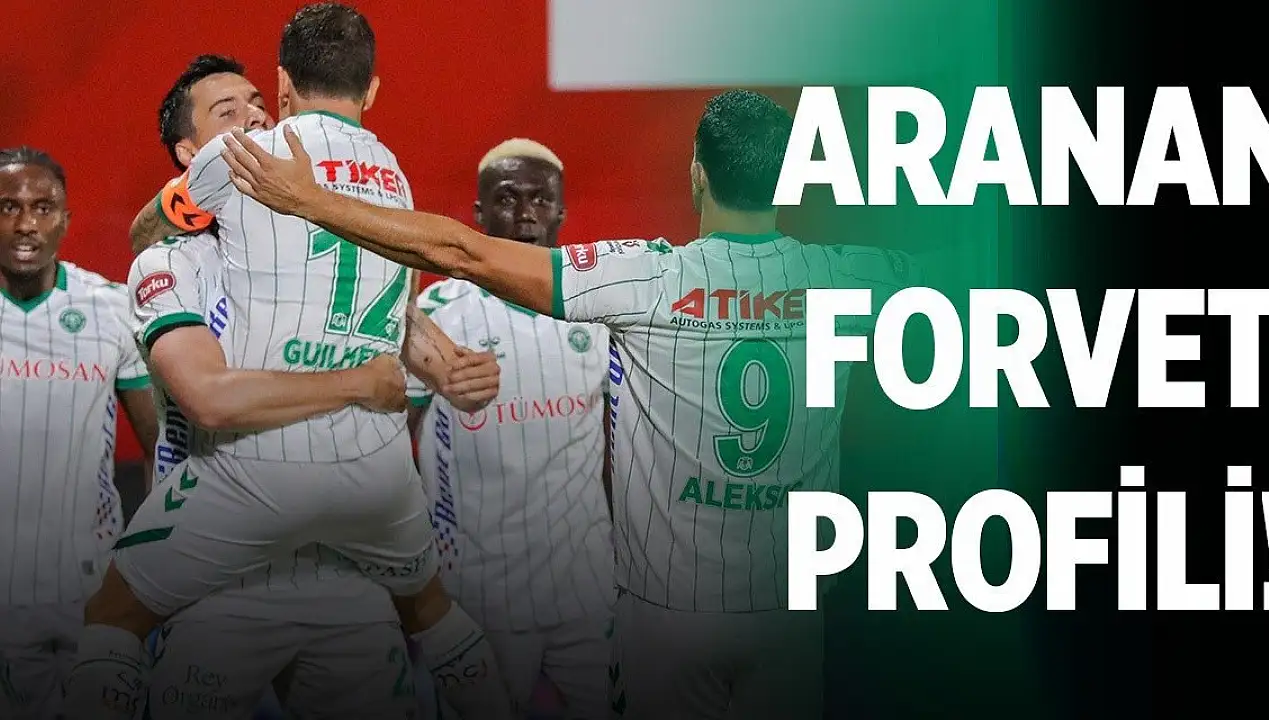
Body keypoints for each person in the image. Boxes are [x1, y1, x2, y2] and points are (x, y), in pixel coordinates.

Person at [219, 88, 923, 719]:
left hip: (664, 616)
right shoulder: (854, 277)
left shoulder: (647, 276)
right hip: (791, 614)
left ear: (697, 173)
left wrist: (309, 201)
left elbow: (461, 251)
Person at [62, 6, 514, 720]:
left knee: (115, 614)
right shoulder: (382, 179)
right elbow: (211, 383)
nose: (250, 119)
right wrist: (367, 380)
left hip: (306, 540)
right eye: (226, 113)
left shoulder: (270, 188)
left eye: (254, 104)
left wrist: (444, 364)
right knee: (430, 607)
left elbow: (380, 307)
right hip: (248, 572)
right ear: (189, 153)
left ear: (280, 92)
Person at [407, 139, 615, 719]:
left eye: (540, 200)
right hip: (476, 595)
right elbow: (396, 433)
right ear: (478, 213)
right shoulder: (440, 311)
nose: (525, 215)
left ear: (562, 212)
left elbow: (620, 449)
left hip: (586, 589)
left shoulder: (599, 313)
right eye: (506, 199)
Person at [0, 146, 160, 719]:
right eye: (8, 207)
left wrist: (151, 565)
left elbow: (160, 446)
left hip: (91, 594)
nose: (26, 224)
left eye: (43, 208)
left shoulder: (112, 309)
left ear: (66, 220)